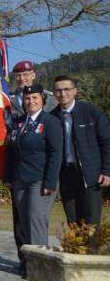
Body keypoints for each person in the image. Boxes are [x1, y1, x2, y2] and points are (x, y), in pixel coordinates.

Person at [6, 84, 63, 277]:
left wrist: (50, 182)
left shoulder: (50, 121)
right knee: (23, 223)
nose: (31, 101)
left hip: (40, 179)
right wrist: (8, 176)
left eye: (35, 98)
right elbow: (12, 151)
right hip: (20, 180)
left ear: (42, 100)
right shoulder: (19, 122)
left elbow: (56, 154)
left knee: (35, 221)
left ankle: (41, 268)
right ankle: (29, 264)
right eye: (28, 98)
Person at [50, 75, 110, 227]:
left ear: (75, 91)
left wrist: (107, 170)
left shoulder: (91, 111)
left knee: (91, 224)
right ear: (54, 93)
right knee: (73, 224)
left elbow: (107, 142)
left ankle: (91, 251)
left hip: (91, 176)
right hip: (66, 177)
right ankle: (74, 251)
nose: (63, 94)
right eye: (58, 90)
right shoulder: (51, 118)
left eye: (66, 89)